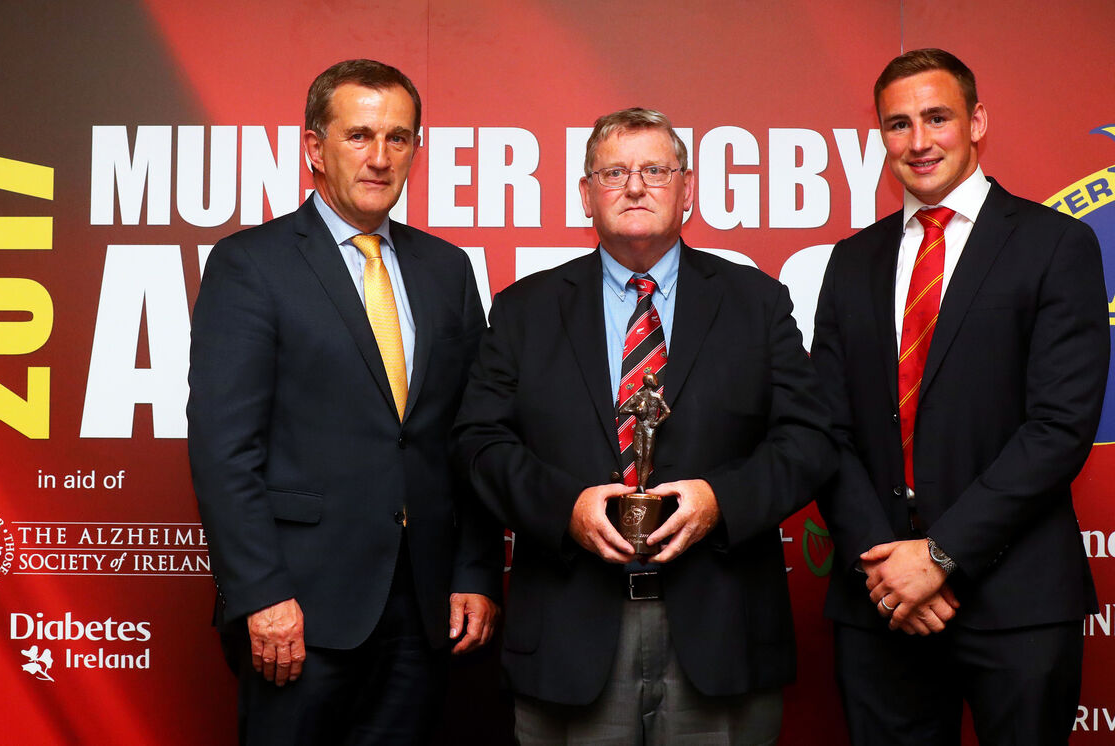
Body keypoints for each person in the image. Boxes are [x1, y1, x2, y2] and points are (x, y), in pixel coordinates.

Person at [453, 107, 835, 745]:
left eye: (656, 170)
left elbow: (811, 439)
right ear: (586, 195)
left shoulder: (755, 302)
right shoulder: (525, 309)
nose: (635, 186)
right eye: (615, 172)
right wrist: (564, 508)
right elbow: (477, 442)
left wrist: (723, 502)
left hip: (721, 628)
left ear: (688, 190)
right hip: (571, 633)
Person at [187, 59, 502, 745]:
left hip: (424, 611)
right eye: (359, 135)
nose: (380, 157)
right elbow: (223, 449)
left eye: (399, 137)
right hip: (298, 610)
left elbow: (470, 435)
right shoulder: (252, 264)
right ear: (313, 147)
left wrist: (475, 570)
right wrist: (263, 595)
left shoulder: (447, 269)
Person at [812, 48, 1108, 745]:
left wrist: (937, 556)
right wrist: (888, 565)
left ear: (977, 121)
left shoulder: (1056, 245)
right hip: (881, 603)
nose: (918, 142)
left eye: (937, 117)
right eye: (898, 124)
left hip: (1019, 601)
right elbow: (824, 428)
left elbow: (1059, 428)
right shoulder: (851, 261)